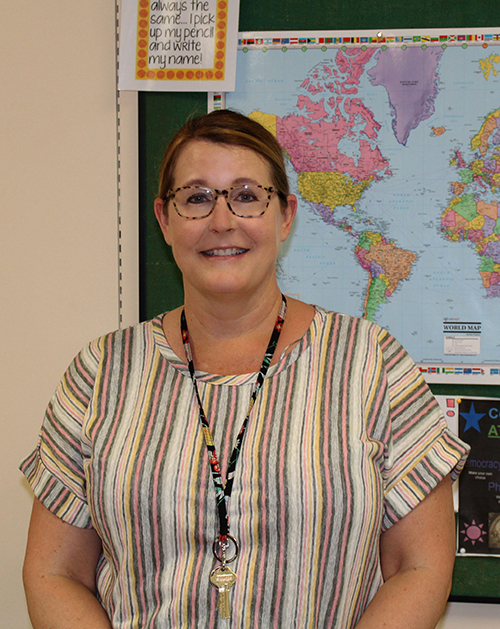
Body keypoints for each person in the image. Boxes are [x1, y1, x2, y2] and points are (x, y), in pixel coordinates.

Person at [21, 109, 469, 629]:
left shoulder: (374, 364)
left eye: (247, 196)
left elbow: (420, 568)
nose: (222, 221)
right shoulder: (100, 372)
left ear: (285, 215)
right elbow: (55, 574)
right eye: (196, 198)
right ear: (165, 220)